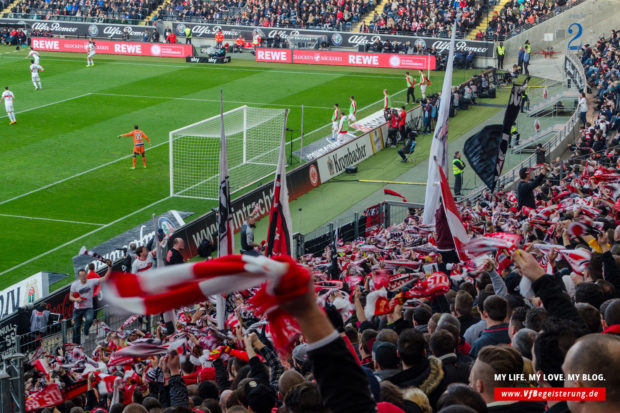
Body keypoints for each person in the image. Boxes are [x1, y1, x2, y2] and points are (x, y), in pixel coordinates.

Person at [70, 264, 112, 345]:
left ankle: (85, 330)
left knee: (89, 319)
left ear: (86, 274)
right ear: (79, 277)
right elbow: (70, 297)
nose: (83, 277)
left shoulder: (91, 281)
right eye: (81, 276)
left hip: (88, 307)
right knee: (76, 327)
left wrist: (109, 268)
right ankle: (75, 344)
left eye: (84, 275)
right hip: (77, 308)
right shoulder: (74, 285)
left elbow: (104, 278)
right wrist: (76, 299)